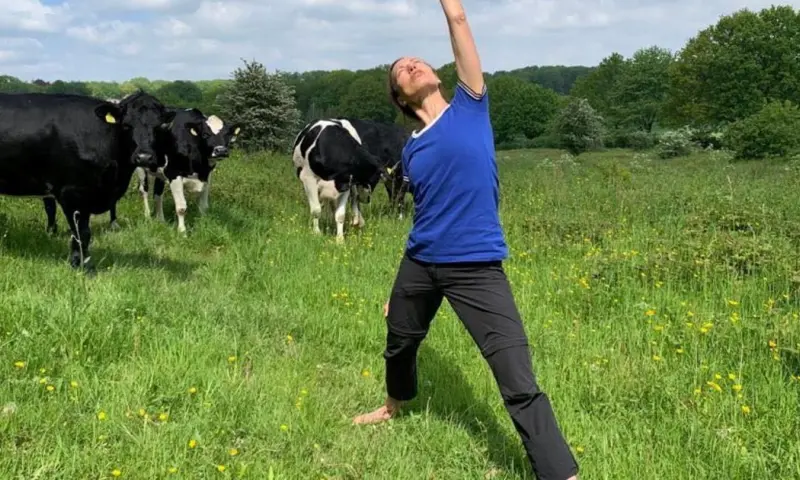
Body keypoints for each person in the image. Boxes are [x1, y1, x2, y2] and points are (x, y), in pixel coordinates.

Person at [351, 1, 579, 479]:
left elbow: (459, 21)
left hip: (476, 267)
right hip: (420, 262)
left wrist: (449, 7)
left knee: (516, 378)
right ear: (401, 95)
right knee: (400, 341)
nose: (411, 65)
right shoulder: (411, 149)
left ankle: (560, 473)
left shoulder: (470, 107)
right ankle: (394, 405)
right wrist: (401, 288)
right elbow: (425, 217)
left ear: (435, 73)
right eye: (401, 70)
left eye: (415, 60)